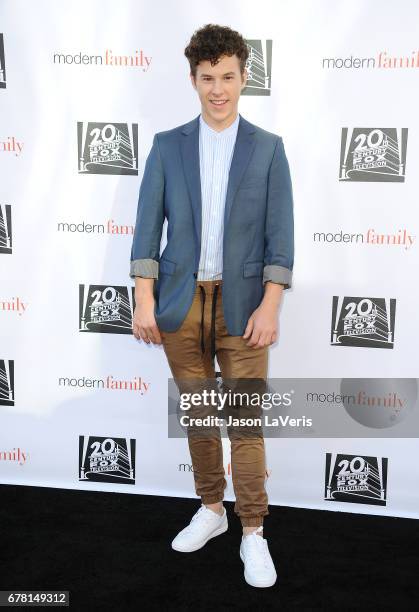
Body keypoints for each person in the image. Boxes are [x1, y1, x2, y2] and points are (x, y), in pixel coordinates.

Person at [130, 23, 294, 588]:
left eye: (228, 77)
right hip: (181, 306)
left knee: (246, 426)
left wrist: (270, 306)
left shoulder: (269, 149)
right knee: (200, 419)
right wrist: (144, 298)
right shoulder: (167, 146)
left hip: (245, 306)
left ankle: (253, 532)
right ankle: (211, 510)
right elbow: (148, 229)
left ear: (244, 77)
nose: (218, 89)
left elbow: (281, 237)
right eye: (207, 78)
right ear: (193, 80)